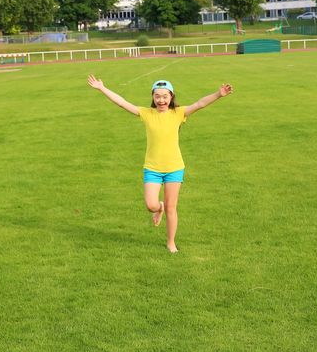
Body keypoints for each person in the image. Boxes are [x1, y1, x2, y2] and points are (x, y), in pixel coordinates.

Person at [88, 75, 234, 253]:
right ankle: (159, 208)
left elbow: (199, 104)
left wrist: (218, 94)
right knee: (151, 204)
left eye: (165, 96)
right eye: (157, 96)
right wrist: (102, 88)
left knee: (172, 207)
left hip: (174, 167)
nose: (161, 100)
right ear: (153, 97)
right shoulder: (146, 113)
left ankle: (170, 242)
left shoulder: (178, 113)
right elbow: (122, 102)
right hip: (152, 168)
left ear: (171, 97)